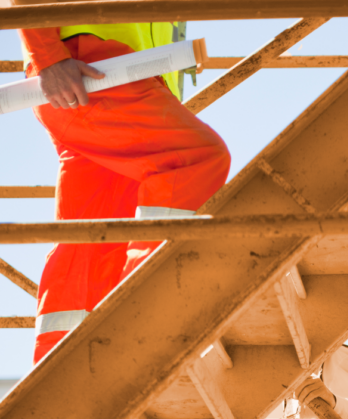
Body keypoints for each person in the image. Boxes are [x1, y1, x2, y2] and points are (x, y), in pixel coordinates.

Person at [18, 20, 230, 363]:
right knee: (195, 159)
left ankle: (58, 364)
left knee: (95, 233)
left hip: (106, 75)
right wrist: (47, 57)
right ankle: (143, 304)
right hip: (94, 70)